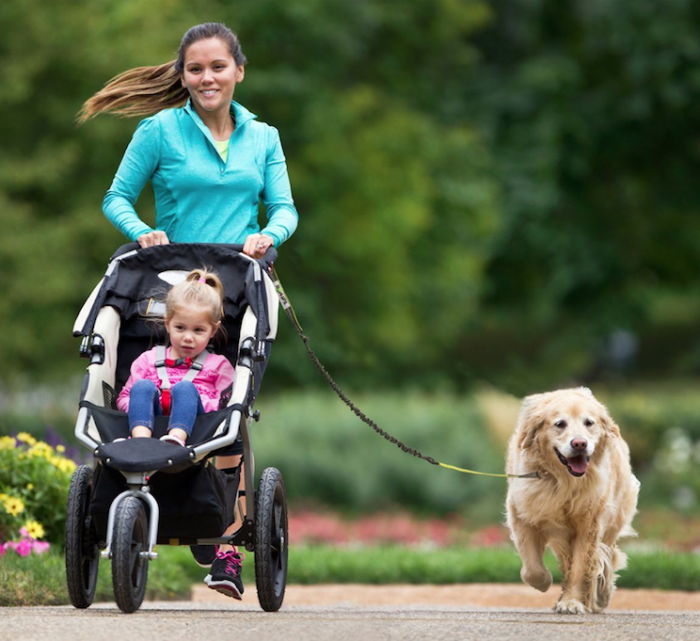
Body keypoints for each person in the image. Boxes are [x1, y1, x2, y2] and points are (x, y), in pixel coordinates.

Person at [79, 22, 299, 599]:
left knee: (232, 410)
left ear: (238, 71)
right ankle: (154, 493)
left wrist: (266, 237)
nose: (207, 78)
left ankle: (226, 547)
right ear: (183, 75)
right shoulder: (159, 131)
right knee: (159, 384)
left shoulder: (264, 136)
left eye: (218, 67)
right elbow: (116, 198)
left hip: (240, 286)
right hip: (170, 295)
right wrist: (142, 231)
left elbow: (284, 209)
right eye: (196, 68)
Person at [116, 268, 245, 598]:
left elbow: (222, 402)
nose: (188, 337)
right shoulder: (148, 359)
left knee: (187, 390)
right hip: (150, 425)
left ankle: (176, 436)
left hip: (195, 431)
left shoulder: (217, 366)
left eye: (198, 330)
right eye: (180, 328)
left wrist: (190, 395)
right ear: (167, 323)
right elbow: (125, 395)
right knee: (144, 387)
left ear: (213, 330)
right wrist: (139, 401)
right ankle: (141, 440)